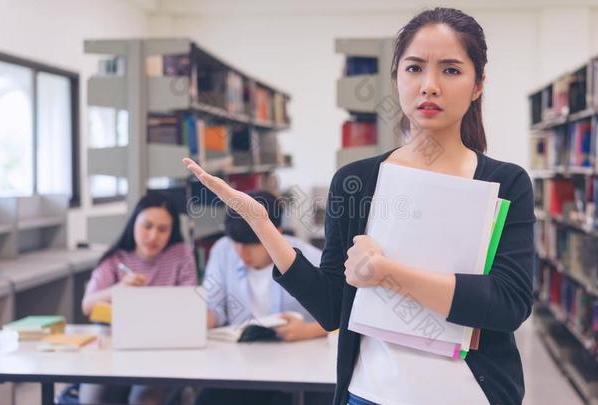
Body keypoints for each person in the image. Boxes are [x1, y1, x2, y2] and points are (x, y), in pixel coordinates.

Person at [184, 7, 534, 405]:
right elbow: (333, 308)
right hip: (369, 394)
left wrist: (387, 273)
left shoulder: (506, 183)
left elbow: (508, 305)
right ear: (397, 78)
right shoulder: (358, 182)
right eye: (414, 68)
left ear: (478, 84)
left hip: (471, 394)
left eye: (451, 70)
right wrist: (263, 225)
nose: (429, 85)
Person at [197, 190, 329, 405]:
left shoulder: (310, 258)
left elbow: (346, 313)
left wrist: (307, 330)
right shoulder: (223, 251)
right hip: (242, 364)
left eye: (251, 244)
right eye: (236, 243)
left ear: (274, 232)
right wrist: (199, 321)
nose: (241, 253)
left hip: (299, 364)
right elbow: (214, 307)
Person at [80, 192, 197, 405]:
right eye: (147, 226)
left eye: (163, 229)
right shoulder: (117, 258)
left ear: (172, 231)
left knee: (144, 398)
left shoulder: (181, 254)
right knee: (92, 396)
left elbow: (189, 305)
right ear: (134, 223)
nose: (153, 236)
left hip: (162, 348)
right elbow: (87, 306)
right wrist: (119, 288)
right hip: (115, 348)